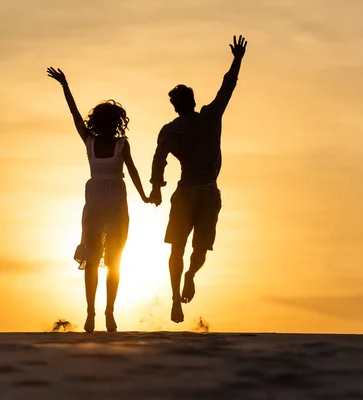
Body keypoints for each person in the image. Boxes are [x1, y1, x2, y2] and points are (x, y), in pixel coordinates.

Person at [149, 35, 248, 323]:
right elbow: (226, 88)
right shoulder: (209, 118)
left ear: (176, 106)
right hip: (206, 191)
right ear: (191, 102)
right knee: (198, 247)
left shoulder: (172, 129)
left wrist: (156, 187)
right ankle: (189, 278)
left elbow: (159, 158)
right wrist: (237, 59)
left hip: (189, 192)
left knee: (180, 247)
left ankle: (176, 296)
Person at [47, 67, 150, 333]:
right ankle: (94, 313)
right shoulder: (90, 141)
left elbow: (134, 171)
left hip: (113, 203)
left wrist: (145, 195)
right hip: (99, 204)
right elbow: (74, 115)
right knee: (96, 260)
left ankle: (107, 312)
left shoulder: (121, 144)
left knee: (111, 259)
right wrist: (65, 85)